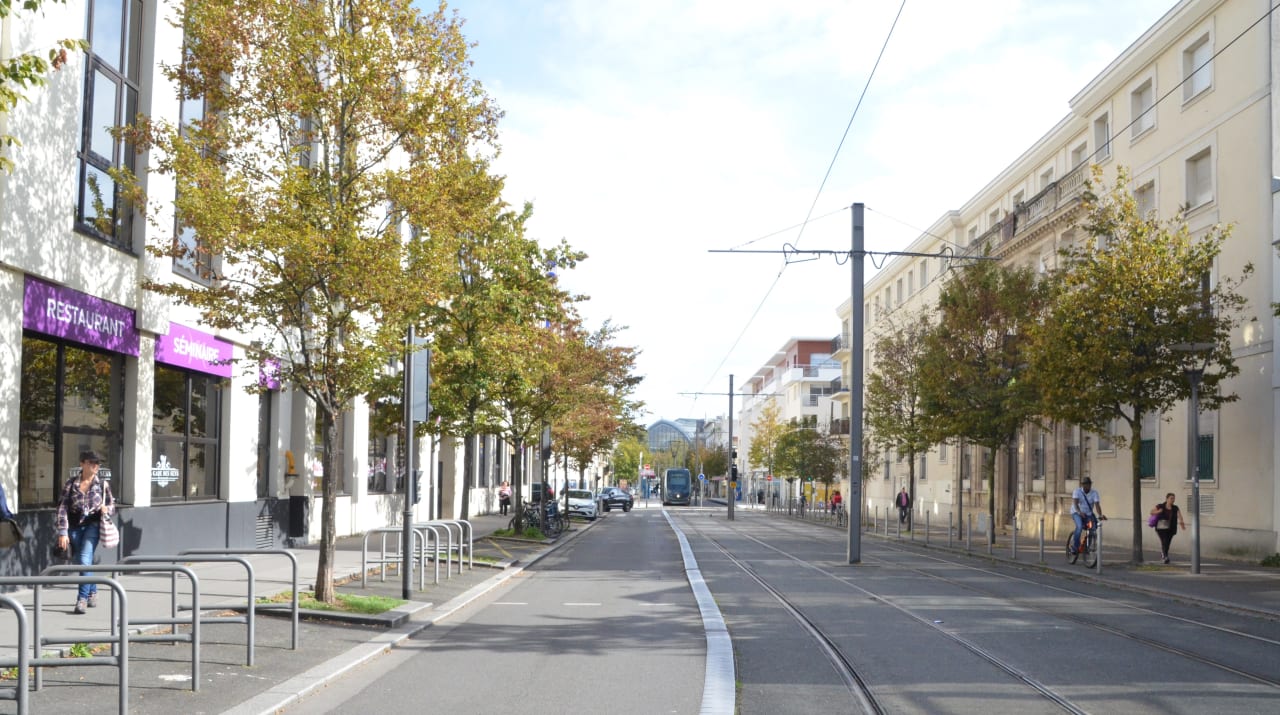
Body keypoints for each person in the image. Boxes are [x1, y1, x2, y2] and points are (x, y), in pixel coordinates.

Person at [55, 450, 115, 614]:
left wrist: (106, 509)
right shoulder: (71, 483)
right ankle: (92, 591)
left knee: (84, 558)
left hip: (93, 526)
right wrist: (63, 531)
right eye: (92, 462)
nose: (96, 466)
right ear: (82, 463)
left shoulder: (102, 484)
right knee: (83, 562)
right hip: (74, 527)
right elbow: (62, 507)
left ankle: (81, 599)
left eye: (98, 463)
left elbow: (112, 506)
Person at [1069, 477, 1104, 555]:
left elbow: (1097, 505)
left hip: (1088, 514)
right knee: (1080, 526)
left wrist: (1100, 515)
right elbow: (1075, 503)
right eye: (1086, 484)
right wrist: (1079, 512)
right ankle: (1075, 547)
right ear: (1083, 485)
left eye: (1089, 484)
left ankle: (1087, 546)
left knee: (1092, 528)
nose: (1088, 486)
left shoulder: (1094, 493)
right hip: (1076, 512)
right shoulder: (1077, 492)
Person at [1150, 492, 1187, 564]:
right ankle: (1165, 556)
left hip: (1171, 528)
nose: (1173, 500)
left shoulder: (1175, 507)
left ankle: (1164, 554)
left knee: (1168, 542)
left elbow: (1180, 516)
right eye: (1171, 498)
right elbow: (1151, 512)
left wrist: (1182, 523)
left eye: (1174, 499)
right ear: (1167, 499)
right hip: (1161, 527)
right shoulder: (1160, 506)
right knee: (1164, 541)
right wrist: (1158, 511)